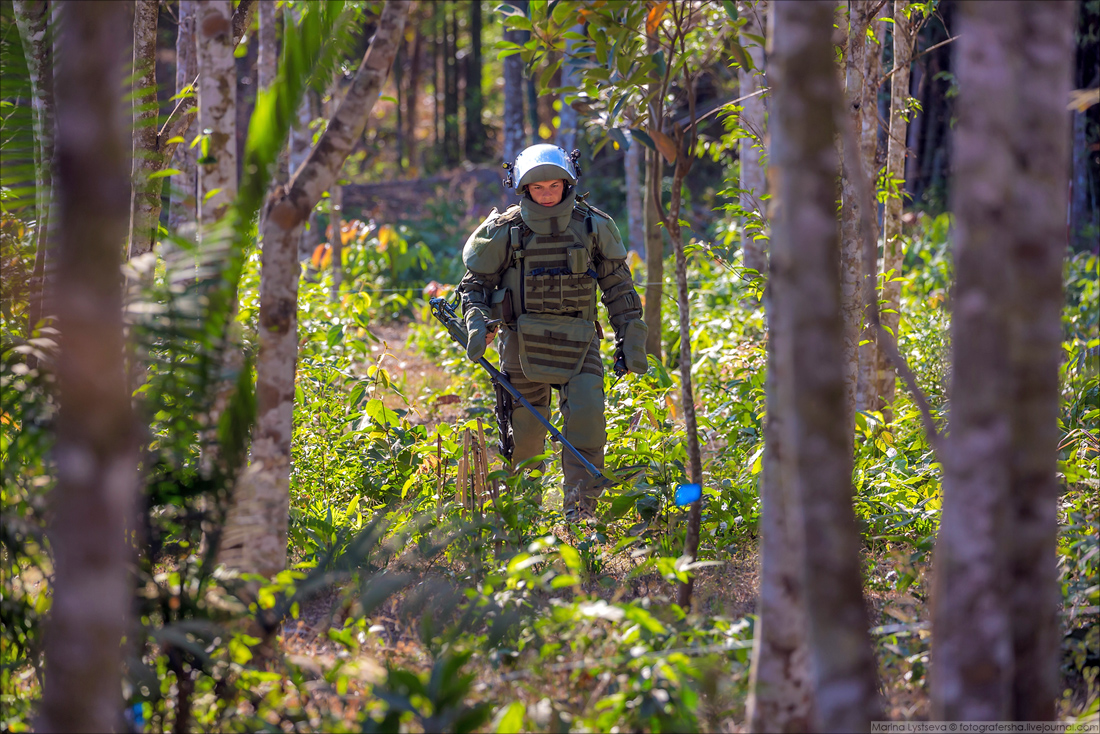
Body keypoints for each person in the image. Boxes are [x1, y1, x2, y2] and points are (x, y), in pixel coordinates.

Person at [456, 144, 649, 518]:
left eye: (554, 186)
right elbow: (473, 285)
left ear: (568, 183)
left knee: (589, 421)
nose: (547, 195)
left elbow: (619, 287)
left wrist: (630, 336)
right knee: (525, 433)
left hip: (580, 338)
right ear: (523, 189)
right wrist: (478, 321)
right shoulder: (505, 230)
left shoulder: (593, 225)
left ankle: (581, 513)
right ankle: (524, 515)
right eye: (538, 188)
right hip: (521, 342)